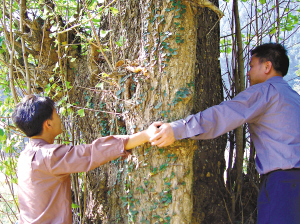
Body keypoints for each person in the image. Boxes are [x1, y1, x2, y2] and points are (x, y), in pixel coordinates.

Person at [150, 43, 300, 224]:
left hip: (283, 184)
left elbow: (224, 115)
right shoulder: (294, 97)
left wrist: (178, 129)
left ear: (267, 66)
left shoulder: (265, 92)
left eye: (252, 66)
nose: (248, 73)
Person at [13, 94, 158, 224]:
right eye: (56, 114)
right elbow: (90, 153)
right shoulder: (49, 156)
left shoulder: (24, 156)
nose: (59, 118)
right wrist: (145, 135)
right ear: (48, 124)